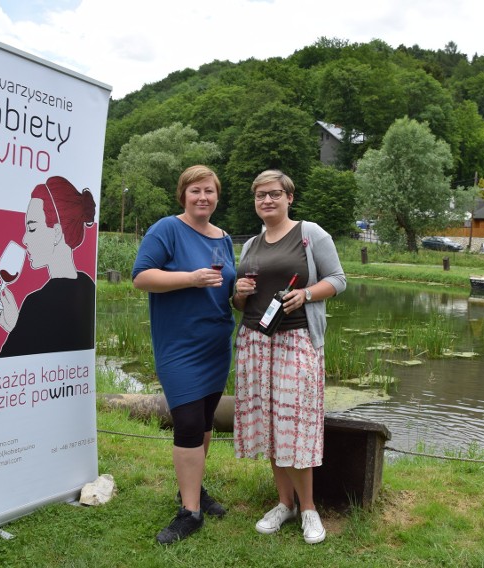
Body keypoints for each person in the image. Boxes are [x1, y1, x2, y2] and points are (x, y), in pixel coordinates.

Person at [231, 169, 346, 545]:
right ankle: (284, 504)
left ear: (289, 198)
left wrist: (308, 294)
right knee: (269, 424)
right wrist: (240, 292)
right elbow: (237, 304)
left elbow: (338, 279)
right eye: (260, 195)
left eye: (274, 194)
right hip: (254, 341)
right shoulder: (250, 244)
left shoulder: (310, 234)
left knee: (296, 426)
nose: (267, 200)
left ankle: (308, 508)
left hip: (296, 341)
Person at [132, 165, 234, 544]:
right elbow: (142, 277)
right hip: (180, 346)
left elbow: (225, 290)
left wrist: (241, 291)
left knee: (205, 421)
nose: (202, 197)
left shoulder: (223, 238)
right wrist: (190, 277)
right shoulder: (166, 229)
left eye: (208, 191)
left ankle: (192, 490)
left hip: (216, 342)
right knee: (188, 422)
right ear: (183, 195)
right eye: (195, 191)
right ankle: (189, 513)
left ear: (217, 196)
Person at [0, 176, 96, 358]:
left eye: (32, 228)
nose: (24, 239)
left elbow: (5, 368)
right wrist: (18, 325)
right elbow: (55, 342)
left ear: (57, 233)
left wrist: (22, 326)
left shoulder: (38, 302)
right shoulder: (87, 285)